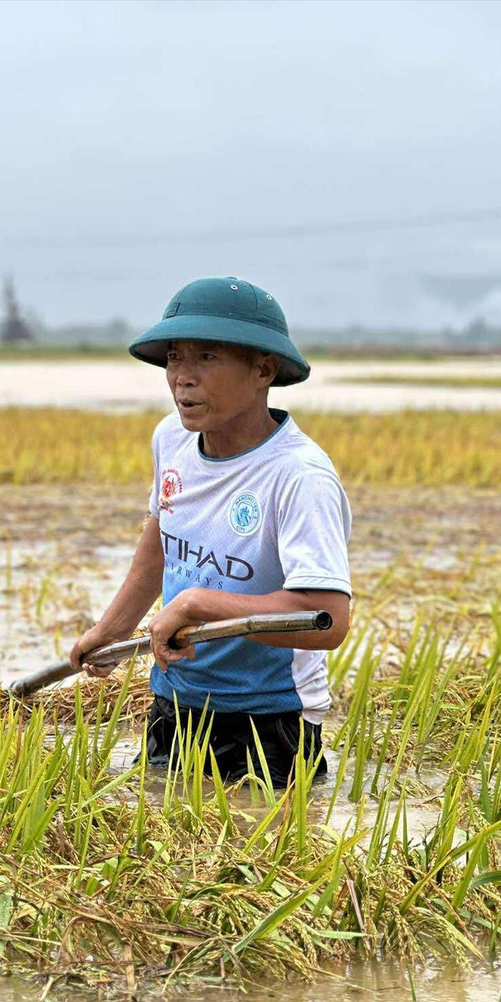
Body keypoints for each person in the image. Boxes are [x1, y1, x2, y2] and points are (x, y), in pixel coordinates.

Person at [68, 277, 352, 788]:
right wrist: (110, 631)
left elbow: (327, 620)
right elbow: (159, 546)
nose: (183, 378)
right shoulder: (171, 439)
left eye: (206, 358)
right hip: (175, 703)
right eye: (176, 357)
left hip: (269, 721)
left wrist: (202, 603)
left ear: (263, 369)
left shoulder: (298, 477)